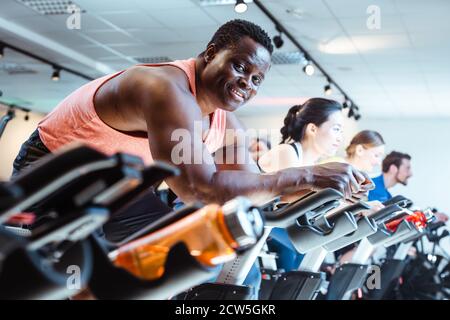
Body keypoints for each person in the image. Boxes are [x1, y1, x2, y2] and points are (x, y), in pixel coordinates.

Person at [11, 19, 370, 244]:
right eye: (239, 67)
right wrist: (309, 173)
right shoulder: (165, 89)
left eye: (256, 79)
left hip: (117, 186)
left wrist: (329, 188)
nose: (246, 83)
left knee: (172, 255)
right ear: (211, 53)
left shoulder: (226, 122)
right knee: (69, 268)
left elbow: (247, 189)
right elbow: (203, 189)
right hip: (52, 172)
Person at [257, 98, 347, 272]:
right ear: (313, 129)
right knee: (300, 247)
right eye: (336, 129)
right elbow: (294, 199)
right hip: (263, 228)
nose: (340, 138)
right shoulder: (286, 152)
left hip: (279, 231)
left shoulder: (313, 166)